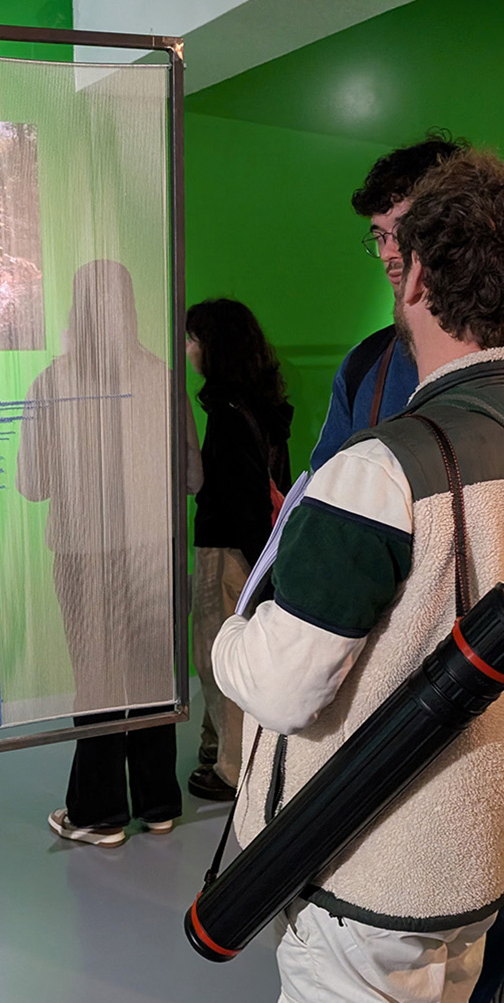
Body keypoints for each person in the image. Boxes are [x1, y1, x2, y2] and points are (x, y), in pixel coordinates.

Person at [211, 151, 504, 1003]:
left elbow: (281, 686)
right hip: (478, 853)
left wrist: (232, 632)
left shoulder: (377, 472)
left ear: (419, 275)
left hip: (364, 872)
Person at [17, 260, 182, 847]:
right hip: (154, 549)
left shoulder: (51, 383)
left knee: (97, 677)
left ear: (76, 309)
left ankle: (100, 812)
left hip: (85, 552)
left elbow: (32, 484)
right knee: (153, 674)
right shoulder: (161, 376)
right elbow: (190, 476)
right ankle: (159, 803)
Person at [185, 299, 293, 802]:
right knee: (233, 653)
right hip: (254, 550)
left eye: (193, 339)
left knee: (216, 658)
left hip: (227, 551)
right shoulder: (261, 404)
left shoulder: (227, 415)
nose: (188, 349)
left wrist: (255, 560)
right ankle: (218, 746)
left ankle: (231, 767)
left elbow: (240, 497)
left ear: (215, 348)